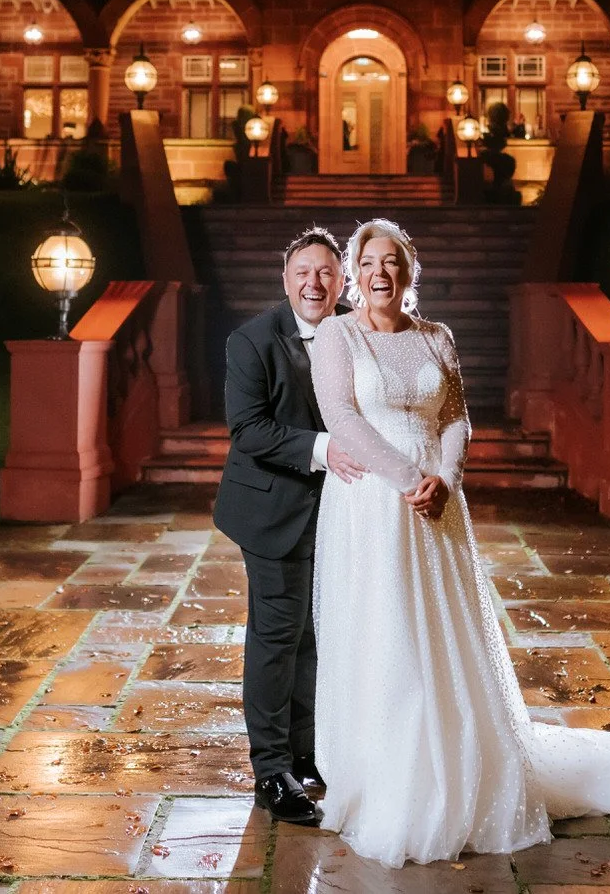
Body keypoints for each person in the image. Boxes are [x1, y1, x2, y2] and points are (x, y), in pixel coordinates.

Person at [308, 218, 610, 868]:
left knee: (443, 634)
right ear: (355, 273)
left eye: (394, 262)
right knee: (385, 632)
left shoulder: (437, 338)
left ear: (408, 273)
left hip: (438, 503)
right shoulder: (336, 335)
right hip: (374, 504)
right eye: (371, 261)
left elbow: (456, 415)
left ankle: (459, 768)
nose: (382, 273)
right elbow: (341, 417)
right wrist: (407, 478)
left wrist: (444, 478)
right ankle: (387, 777)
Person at [212, 227, 369, 828]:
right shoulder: (252, 341)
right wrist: (325, 448)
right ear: (286, 280)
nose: (315, 283)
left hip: (341, 511)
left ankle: (309, 753)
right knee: (278, 635)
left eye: (326, 273)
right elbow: (248, 429)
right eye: (303, 272)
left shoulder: (358, 330)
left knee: (318, 635)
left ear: (341, 281)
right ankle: (271, 771)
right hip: (272, 509)